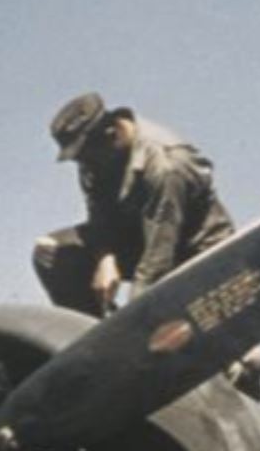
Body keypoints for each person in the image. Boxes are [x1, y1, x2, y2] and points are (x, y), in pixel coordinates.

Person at [34, 92, 240, 316]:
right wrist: (106, 258)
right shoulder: (96, 156)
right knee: (50, 251)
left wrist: (132, 317)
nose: (84, 164)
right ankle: (88, 331)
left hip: (193, 252)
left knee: (154, 308)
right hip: (139, 241)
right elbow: (101, 218)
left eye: (86, 156)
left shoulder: (166, 166)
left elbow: (158, 254)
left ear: (111, 133)